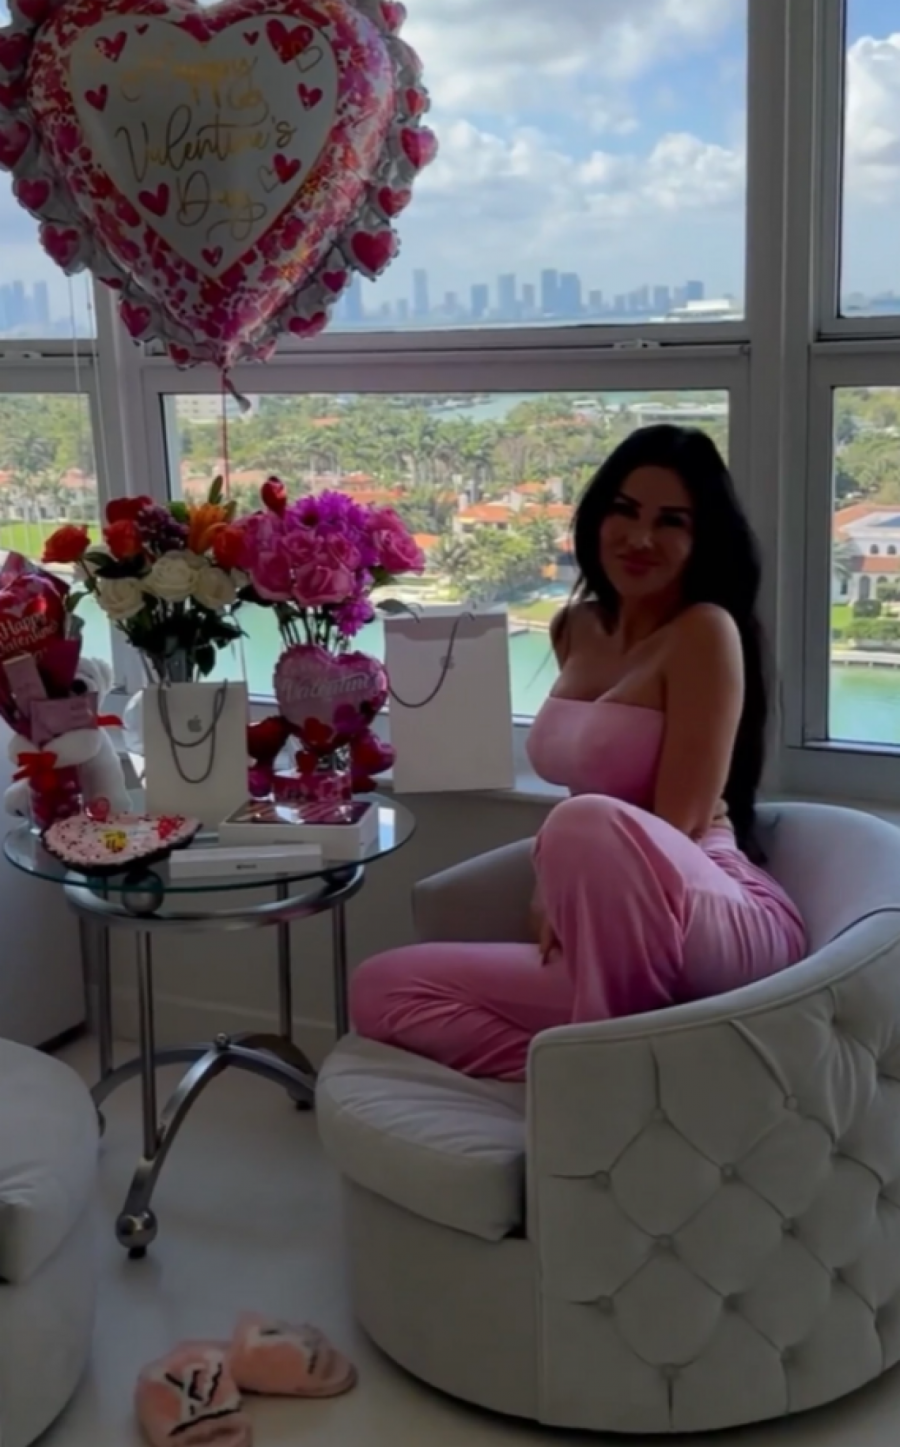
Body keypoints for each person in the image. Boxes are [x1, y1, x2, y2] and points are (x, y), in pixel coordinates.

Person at [351, 425, 807, 1081]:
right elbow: (585, 795)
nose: (641, 537)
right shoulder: (576, 627)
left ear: (701, 539)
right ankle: (598, 1081)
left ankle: (609, 1076)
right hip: (608, 919)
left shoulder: (704, 631)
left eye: (671, 521)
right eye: (626, 510)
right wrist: (562, 884)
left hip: (710, 908)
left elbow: (678, 822)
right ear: (597, 516)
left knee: (582, 819)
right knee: (381, 988)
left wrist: (561, 885)